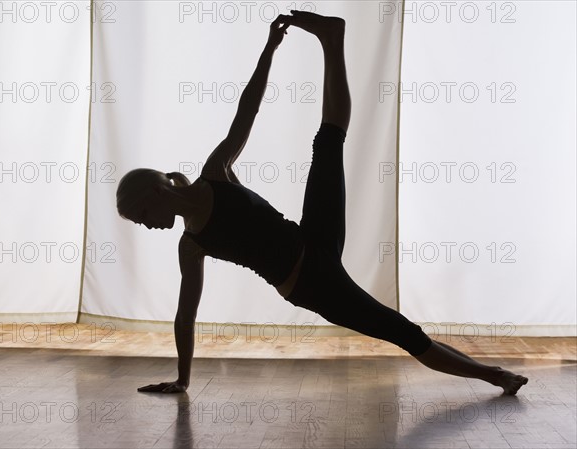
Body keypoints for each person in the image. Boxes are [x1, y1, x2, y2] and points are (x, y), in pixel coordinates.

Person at [116, 11, 528, 395]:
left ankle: (332, 39)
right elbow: (185, 317)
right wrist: (183, 380)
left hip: (313, 237)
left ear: (155, 193)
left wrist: (268, 50)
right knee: (403, 332)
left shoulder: (215, 173)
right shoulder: (192, 245)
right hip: (315, 286)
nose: (145, 225)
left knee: (328, 143)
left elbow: (249, 108)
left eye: (141, 216)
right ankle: (497, 376)